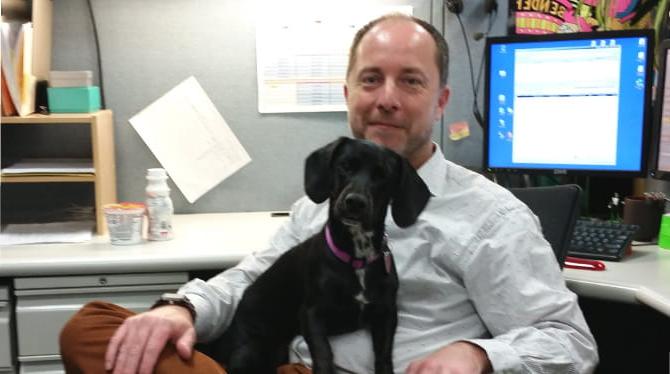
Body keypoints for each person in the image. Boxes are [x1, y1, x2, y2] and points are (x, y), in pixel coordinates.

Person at [60, 13, 598, 374]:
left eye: (410, 81)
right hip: (282, 360)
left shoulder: (491, 216)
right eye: (371, 80)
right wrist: (183, 309)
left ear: (441, 101)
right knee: (94, 328)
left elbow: (568, 339)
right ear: (348, 94)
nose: (386, 99)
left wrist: (478, 355)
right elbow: (254, 275)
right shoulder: (324, 198)